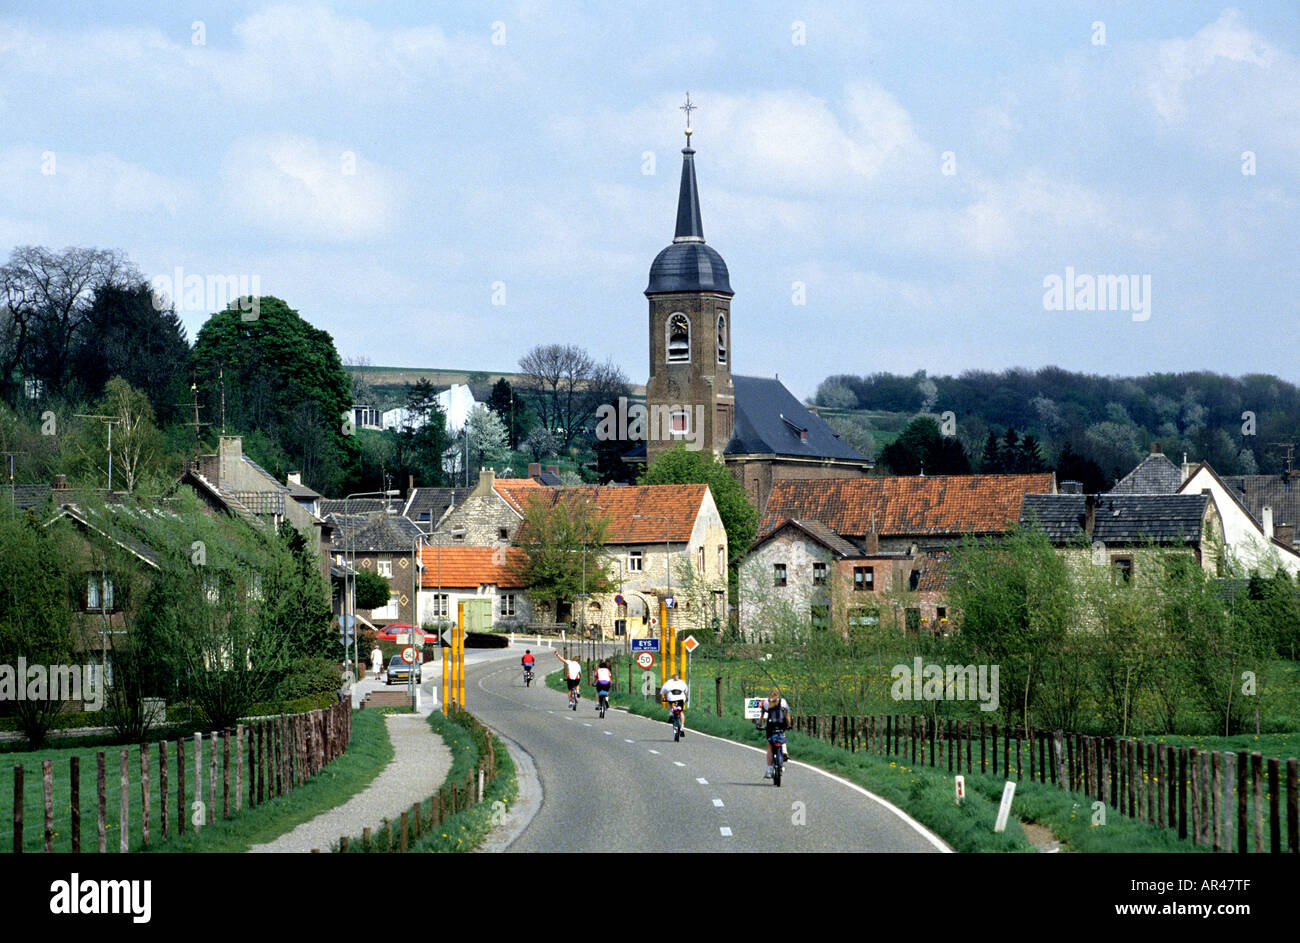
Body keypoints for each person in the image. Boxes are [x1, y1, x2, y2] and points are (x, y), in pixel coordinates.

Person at [760, 689, 791, 779]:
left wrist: (760, 725)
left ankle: (769, 770)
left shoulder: (766, 703)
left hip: (771, 726)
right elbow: (787, 715)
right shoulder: (783, 702)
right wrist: (789, 725)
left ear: (769, 695)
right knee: (782, 734)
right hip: (781, 725)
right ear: (778, 695)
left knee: (770, 746)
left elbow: (762, 716)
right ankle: (784, 751)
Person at [659, 673, 689, 740]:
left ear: (672, 678)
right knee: (681, 712)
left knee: (669, 703)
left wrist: (663, 698)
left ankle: (671, 714)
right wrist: (686, 697)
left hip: (671, 697)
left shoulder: (669, 682)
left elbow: (662, 691)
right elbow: (686, 690)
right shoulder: (682, 682)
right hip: (681, 698)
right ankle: (682, 727)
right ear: (679, 678)